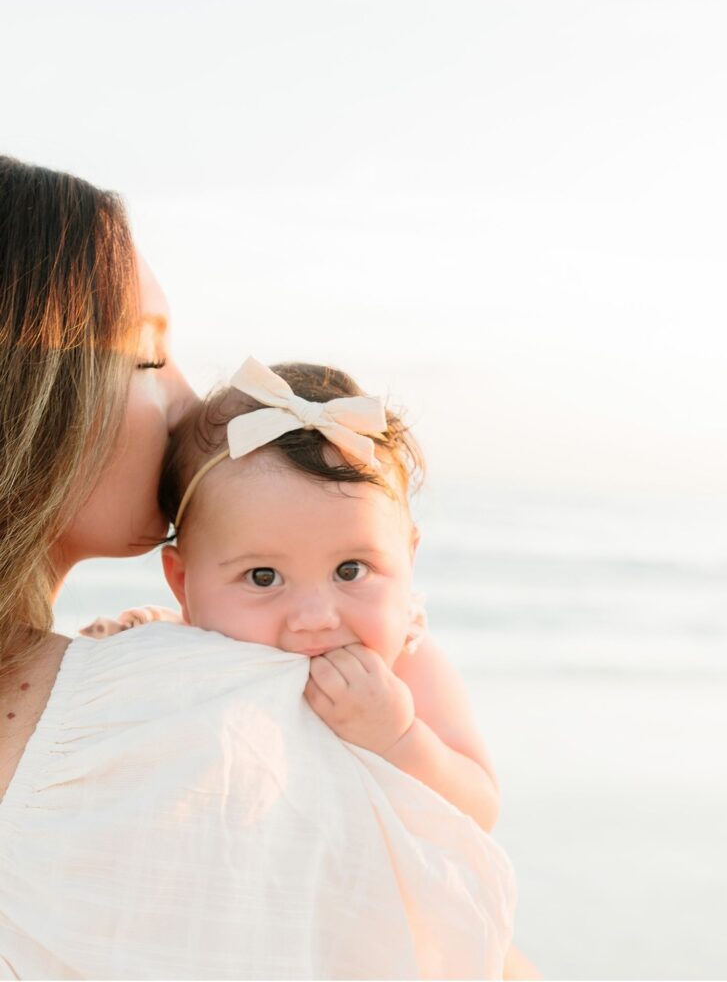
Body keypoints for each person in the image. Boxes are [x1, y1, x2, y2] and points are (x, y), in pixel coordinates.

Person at [0, 156, 525, 979]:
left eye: (351, 566)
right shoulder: (191, 710)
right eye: (146, 358)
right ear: (29, 397)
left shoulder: (158, 687)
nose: (185, 399)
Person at [146, 355, 502, 832]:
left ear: (408, 560)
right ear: (182, 584)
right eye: (264, 577)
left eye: (350, 570)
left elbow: (479, 811)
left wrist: (396, 737)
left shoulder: (404, 665)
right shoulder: (183, 654)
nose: (314, 617)